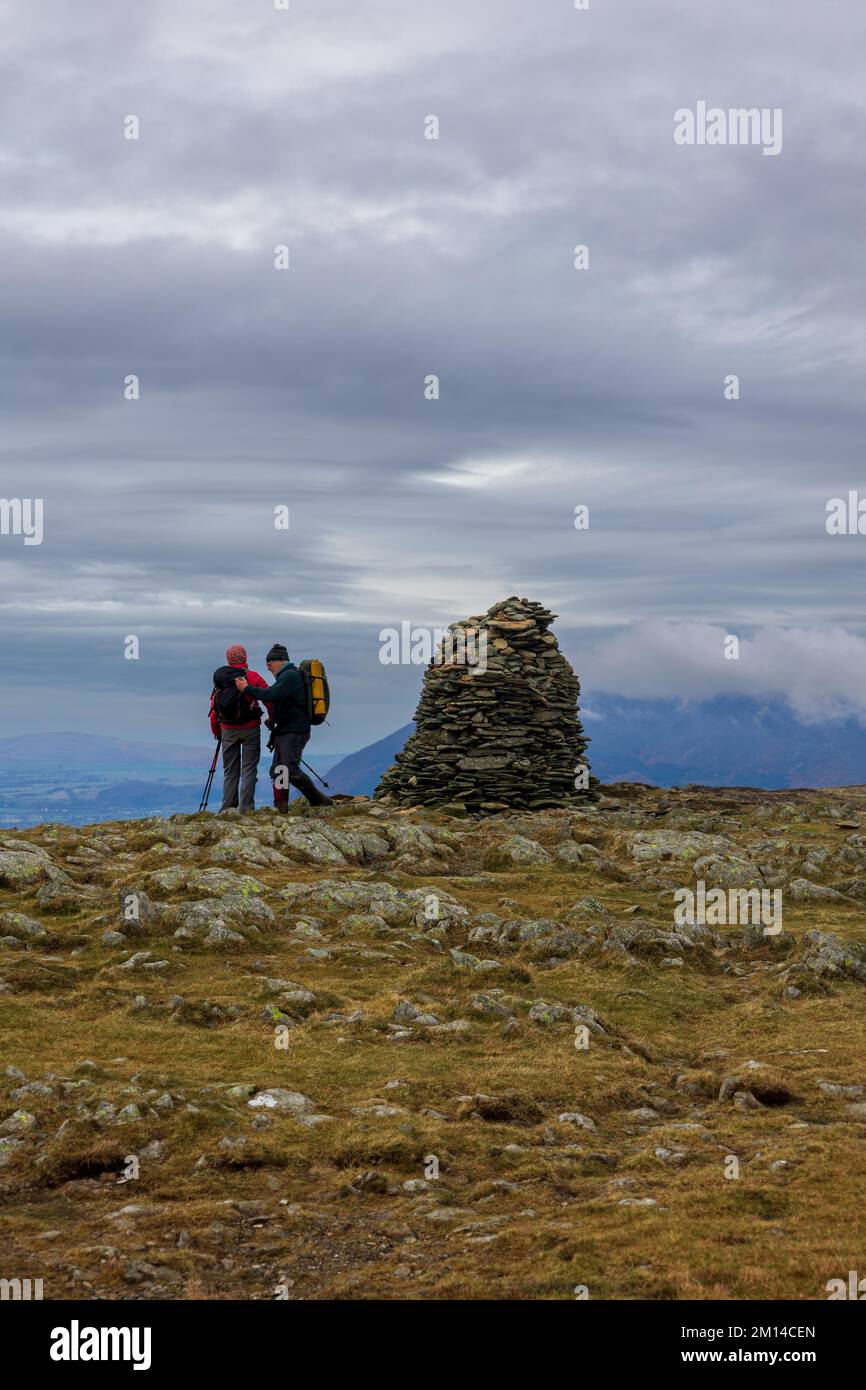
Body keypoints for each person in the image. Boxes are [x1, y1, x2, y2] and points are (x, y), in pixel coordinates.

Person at [235, 643, 332, 809]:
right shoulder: (285, 677)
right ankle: (281, 806)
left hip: (294, 731)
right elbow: (282, 700)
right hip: (285, 730)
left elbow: (272, 695)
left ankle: (320, 801)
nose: (267, 667)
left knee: (289, 769)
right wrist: (273, 720)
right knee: (279, 770)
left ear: (280, 660)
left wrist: (247, 689)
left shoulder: (289, 676)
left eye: (269, 663)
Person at [210, 643, 268, 813]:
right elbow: (269, 697)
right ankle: (246, 808)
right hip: (251, 729)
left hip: (227, 729)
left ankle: (228, 808)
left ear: (228, 659)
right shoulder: (253, 677)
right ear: (245, 658)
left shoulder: (222, 680)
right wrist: (274, 719)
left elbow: (214, 708)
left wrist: (217, 731)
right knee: (249, 769)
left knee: (230, 771)